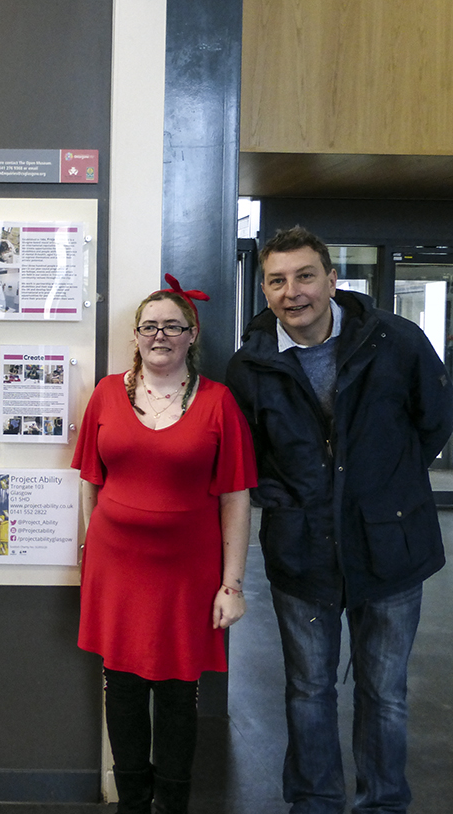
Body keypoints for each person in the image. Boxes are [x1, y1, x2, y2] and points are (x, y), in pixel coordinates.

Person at [225, 225, 453, 814]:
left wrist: (388, 483)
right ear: (264, 288)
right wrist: (287, 497)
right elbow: (245, 454)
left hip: (391, 546)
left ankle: (382, 803)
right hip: (302, 549)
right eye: (277, 280)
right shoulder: (250, 364)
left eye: (304, 276)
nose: (291, 291)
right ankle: (315, 803)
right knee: (307, 690)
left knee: (386, 695)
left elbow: (434, 421)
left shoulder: (396, 341)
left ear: (331, 279)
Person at [72, 276, 256, 814]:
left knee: (179, 697)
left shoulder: (219, 403)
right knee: (123, 692)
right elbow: (90, 481)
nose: (160, 335)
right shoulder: (106, 394)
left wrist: (232, 584)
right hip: (117, 571)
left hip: (188, 577)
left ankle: (173, 803)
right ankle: (132, 802)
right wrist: (91, 557)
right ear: (135, 335)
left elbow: (236, 499)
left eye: (172, 326)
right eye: (149, 326)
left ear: (191, 335)